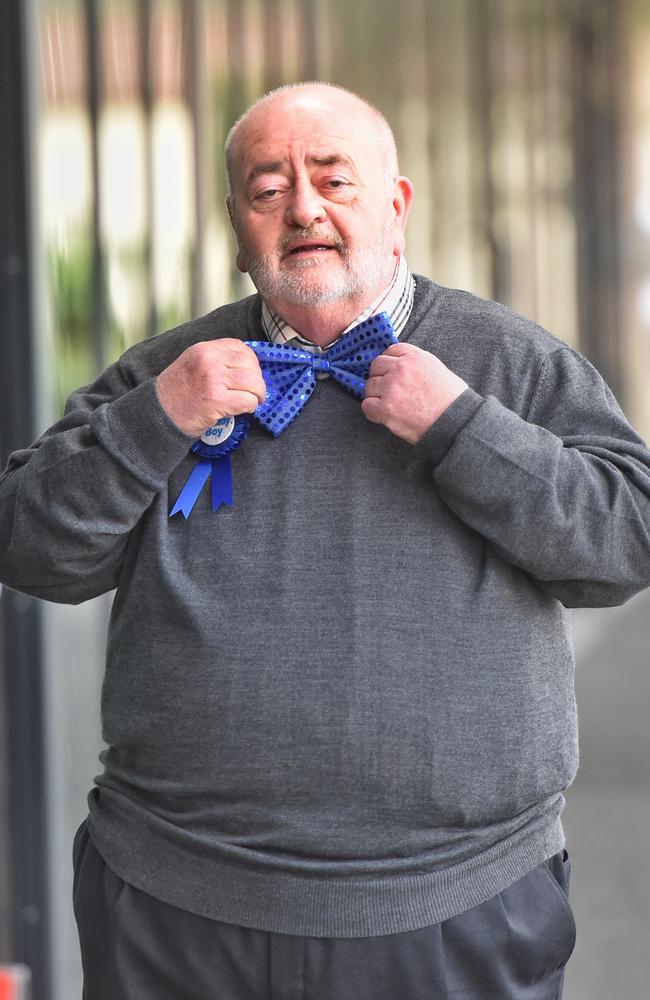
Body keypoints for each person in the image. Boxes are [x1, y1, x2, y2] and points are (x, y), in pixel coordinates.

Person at [1, 81, 650, 1000]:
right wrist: (158, 419)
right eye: (268, 190)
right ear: (237, 228)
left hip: (458, 908)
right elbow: (31, 547)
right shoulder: (164, 373)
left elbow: (627, 539)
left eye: (333, 180)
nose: (303, 207)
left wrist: (465, 429)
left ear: (396, 204)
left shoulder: (511, 360)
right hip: (173, 907)